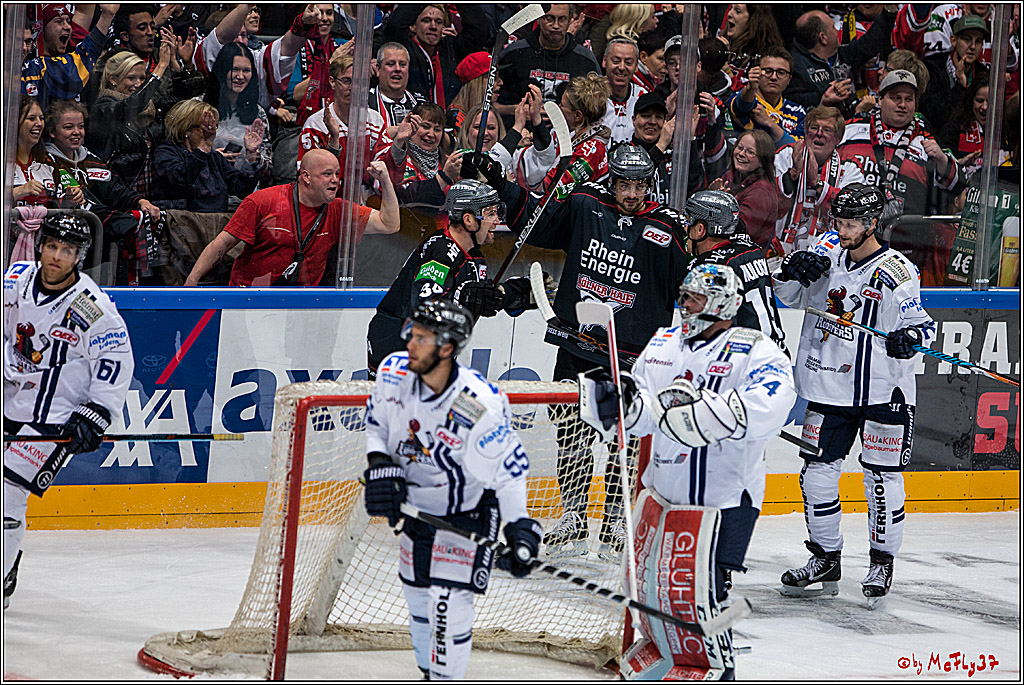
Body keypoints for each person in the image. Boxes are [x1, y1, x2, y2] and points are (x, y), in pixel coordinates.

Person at [579, 263, 795, 679]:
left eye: (694, 298)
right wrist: (620, 402)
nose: (685, 305)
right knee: (654, 593)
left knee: (702, 596)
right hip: (663, 493)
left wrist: (698, 415)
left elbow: (771, 405)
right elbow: (639, 415)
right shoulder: (663, 342)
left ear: (721, 305)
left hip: (723, 499)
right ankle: (667, 661)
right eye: (685, 296)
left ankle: (720, 668)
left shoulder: (756, 349)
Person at [479, 144, 692, 559]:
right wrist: (502, 184)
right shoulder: (585, 201)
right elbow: (536, 226)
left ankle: (614, 521)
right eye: (624, 184)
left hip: (630, 354)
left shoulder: (668, 228)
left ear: (651, 183)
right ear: (612, 179)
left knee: (621, 441)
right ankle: (575, 517)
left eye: (640, 185)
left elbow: (694, 283)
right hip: (577, 345)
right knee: (571, 435)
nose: (631, 194)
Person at [772, 183, 936, 606]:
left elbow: (921, 324)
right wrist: (791, 269)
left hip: (884, 391)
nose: (842, 230)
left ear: (871, 224)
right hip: (828, 388)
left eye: (850, 223)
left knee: (881, 480)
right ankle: (825, 557)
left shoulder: (897, 272)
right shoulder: (825, 251)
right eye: (839, 221)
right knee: (816, 474)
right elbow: (785, 296)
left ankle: (882, 560)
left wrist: (910, 336)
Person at [362, 298, 542, 680]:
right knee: (417, 603)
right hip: (417, 512)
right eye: (412, 333)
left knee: (446, 608)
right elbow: (377, 424)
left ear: (447, 348)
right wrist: (379, 464)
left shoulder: (475, 404)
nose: (410, 343)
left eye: (422, 338)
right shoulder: (393, 372)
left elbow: (508, 471)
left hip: (469, 515)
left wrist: (519, 526)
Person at [4, 214, 134, 609]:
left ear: (79, 256)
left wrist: (97, 412)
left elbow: (115, 359)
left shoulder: (92, 307)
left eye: (68, 251)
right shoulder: (14, 279)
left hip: (55, 414)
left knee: (6, 493)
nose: (57, 256)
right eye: (52, 246)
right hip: (10, 396)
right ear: (40, 245)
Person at [366, 180, 534, 377]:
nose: (497, 220)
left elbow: (478, 298)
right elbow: (425, 308)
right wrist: (465, 296)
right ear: (469, 219)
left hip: (430, 347)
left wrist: (509, 294)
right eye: (491, 213)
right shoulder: (440, 251)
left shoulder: (475, 257)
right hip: (398, 341)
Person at [185, 149, 398, 287]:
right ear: (305, 176)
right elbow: (221, 244)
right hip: (249, 297)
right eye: (327, 174)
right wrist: (192, 283)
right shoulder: (262, 201)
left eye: (337, 174)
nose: (335, 181)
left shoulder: (338, 210)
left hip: (300, 305)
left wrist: (385, 180)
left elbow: (390, 224)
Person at [836, 70, 963, 217]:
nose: (902, 105)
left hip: (903, 235)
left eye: (909, 99)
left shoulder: (926, 141)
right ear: (880, 99)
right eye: (896, 98)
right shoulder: (851, 129)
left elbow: (958, 186)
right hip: (851, 227)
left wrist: (942, 160)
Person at [684, 191, 788, 351]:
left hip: (745, 359)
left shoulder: (710, 268)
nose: (685, 228)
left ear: (700, 229)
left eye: (688, 222)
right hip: (776, 351)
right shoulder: (752, 250)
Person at [87, 47, 173, 199]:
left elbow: (176, 99)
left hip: (150, 196)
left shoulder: (150, 110)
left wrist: (184, 66)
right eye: (131, 78)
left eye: (142, 78)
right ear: (113, 79)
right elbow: (132, 106)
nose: (138, 84)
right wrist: (160, 68)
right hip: (118, 198)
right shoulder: (103, 109)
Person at [493, 3, 599, 119]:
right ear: (538, 19)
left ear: (570, 21)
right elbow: (491, 104)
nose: (556, 25)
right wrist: (517, 110)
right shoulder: (514, 53)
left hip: (568, 134)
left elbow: (597, 108)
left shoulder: (585, 58)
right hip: (521, 130)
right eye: (550, 18)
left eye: (562, 19)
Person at [785, 7, 897, 114]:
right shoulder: (794, 65)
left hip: (853, 121)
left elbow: (871, 42)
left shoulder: (841, 54)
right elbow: (790, 101)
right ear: (823, 38)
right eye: (833, 27)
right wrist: (825, 93)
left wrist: (889, 10)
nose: (837, 30)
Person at [513, 73, 611, 194]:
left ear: (578, 116)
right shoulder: (564, 133)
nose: (558, 107)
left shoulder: (592, 151)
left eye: (562, 105)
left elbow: (550, 190)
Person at [379, 4, 491, 109]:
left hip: (448, 124)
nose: (433, 26)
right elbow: (395, 25)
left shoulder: (452, 48)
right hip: (414, 120)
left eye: (438, 22)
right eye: (426, 21)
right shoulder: (404, 50)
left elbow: (479, 30)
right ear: (413, 26)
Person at [773, 106, 846, 254]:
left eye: (827, 130)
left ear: (838, 139)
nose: (819, 134)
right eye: (814, 128)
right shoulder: (786, 154)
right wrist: (793, 174)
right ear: (806, 133)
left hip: (828, 253)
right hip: (779, 248)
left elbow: (847, 209)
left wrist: (817, 184)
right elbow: (769, 198)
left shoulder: (849, 166)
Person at [22, 3, 116, 109]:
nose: (67, 27)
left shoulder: (73, 48)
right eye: (58, 21)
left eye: (68, 21)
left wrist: (107, 14)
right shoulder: (33, 67)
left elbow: (83, 11)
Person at [204, 42, 273, 182]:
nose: (240, 76)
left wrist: (253, 156)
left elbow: (268, 170)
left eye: (246, 71)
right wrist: (212, 158)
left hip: (244, 195)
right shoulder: (200, 108)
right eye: (235, 69)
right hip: (206, 194)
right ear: (223, 70)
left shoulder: (258, 113)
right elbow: (183, 159)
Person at [709, 129, 780, 250]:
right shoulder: (731, 176)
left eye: (750, 152)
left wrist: (719, 203)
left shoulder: (761, 192)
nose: (741, 154)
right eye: (740, 147)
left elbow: (739, 232)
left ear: (763, 161)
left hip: (742, 259)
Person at [726, 47, 806, 148]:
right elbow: (742, 106)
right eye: (768, 71)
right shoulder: (746, 98)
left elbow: (798, 148)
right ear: (758, 73)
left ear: (789, 79)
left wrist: (770, 123)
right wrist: (750, 88)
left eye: (781, 73)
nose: (773, 77)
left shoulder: (798, 112)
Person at [370, 42, 423, 139]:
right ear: (378, 69)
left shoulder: (421, 104)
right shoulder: (364, 103)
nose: (398, 69)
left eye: (402, 64)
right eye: (391, 64)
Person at [602, 38, 648, 144]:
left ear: (636, 66)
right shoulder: (589, 95)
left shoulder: (643, 96)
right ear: (605, 61)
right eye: (616, 61)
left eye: (628, 62)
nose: (622, 67)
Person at [13, 97, 54, 208]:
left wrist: (68, 200)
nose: (39, 123)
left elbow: (56, 206)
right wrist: (18, 192)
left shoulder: (49, 162)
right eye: (31, 118)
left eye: (41, 118)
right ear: (14, 122)